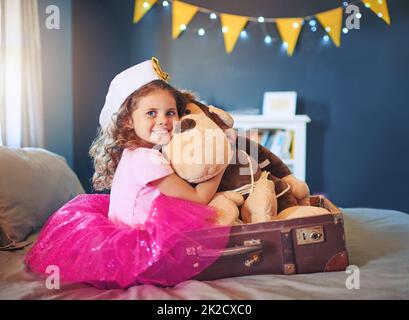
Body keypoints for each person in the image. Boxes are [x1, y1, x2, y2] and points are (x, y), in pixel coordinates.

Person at [24, 58, 231, 289]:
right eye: (151, 113)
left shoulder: (133, 151)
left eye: (170, 112)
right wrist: (220, 165)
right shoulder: (148, 159)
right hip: (140, 247)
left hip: (118, 232)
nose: (163, 120)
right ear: (128, 121)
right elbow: (198, 199)